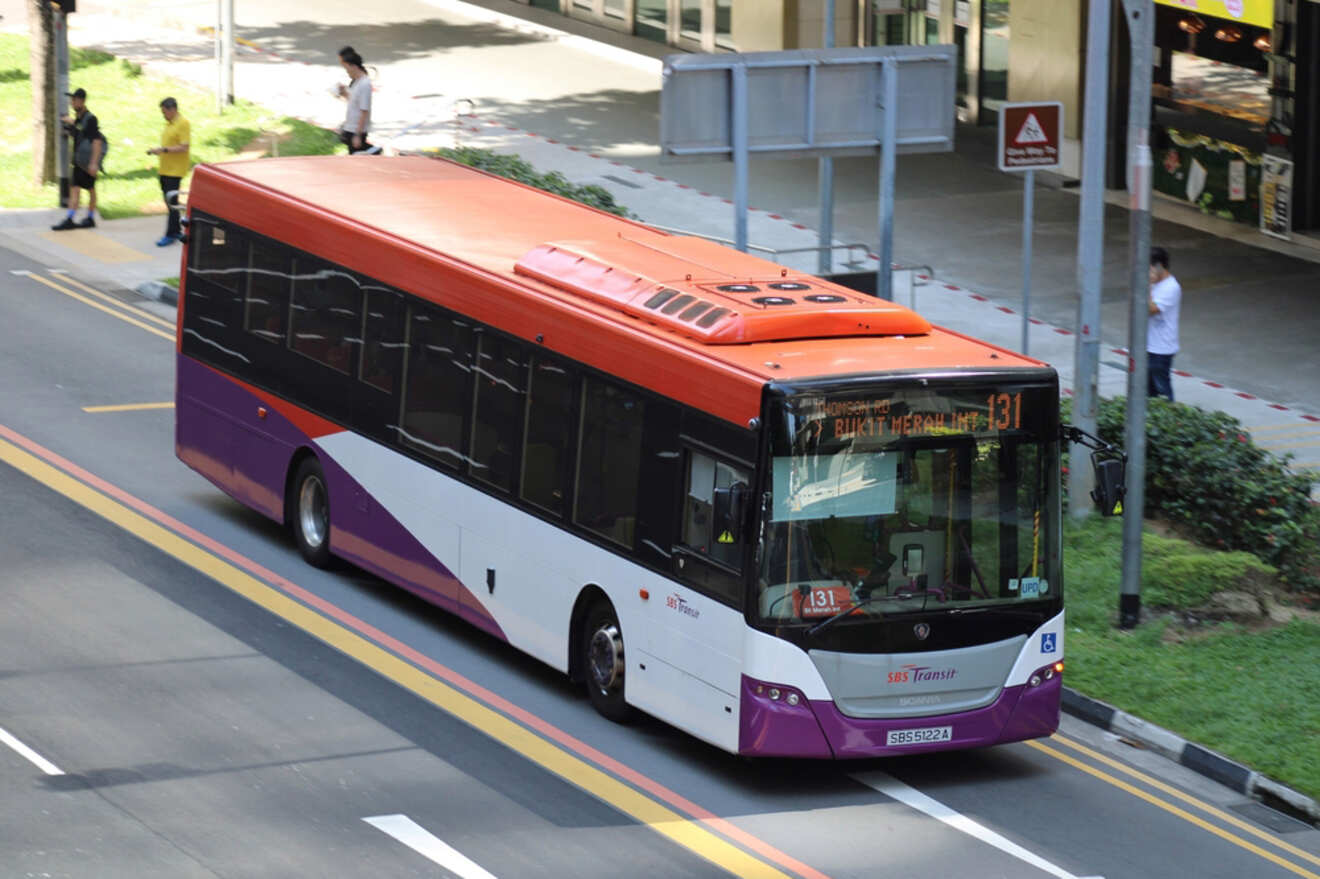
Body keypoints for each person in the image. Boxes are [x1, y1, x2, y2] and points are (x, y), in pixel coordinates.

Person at [51, 87, 104, 231]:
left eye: (74, 100)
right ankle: (70, 218)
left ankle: (89, 217)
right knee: (75, 189)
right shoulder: (79, 118)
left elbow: (97, 141)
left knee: (91, 190)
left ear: (82, 101)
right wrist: (69, 130)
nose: (71, 103)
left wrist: (94, 163)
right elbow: (80, 135)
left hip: (87, 163)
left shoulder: (91, 119)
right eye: (71, 100)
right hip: (78, 162)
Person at [146, 97, 191, 247]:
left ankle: (170, 234)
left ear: (172, 110)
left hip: (175, 171)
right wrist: (159, 151)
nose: (163, 115)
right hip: (165, 169)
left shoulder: (183, 123)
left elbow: (185, 146)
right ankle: (176, 229)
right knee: (170, 202)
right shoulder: (169, 124)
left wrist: (164, 150)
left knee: (171, 202)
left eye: (165, 112)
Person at [1147, 245, 1182, 402]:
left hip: (1161, 349)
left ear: (1159, 266)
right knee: (1148, 391)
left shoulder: (1171, 287)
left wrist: (1145, 286)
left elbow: (1151, 309)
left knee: (1162, 391)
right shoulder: (1154, 284)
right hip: (1149, 346)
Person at [336, 46, 380, 155]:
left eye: (346, 68)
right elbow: (354, 101)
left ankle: (376, 152)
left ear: (354, 66)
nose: (346, 72)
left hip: (356, 130)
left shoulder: (365, 84)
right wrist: (343, 93)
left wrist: (358, 135)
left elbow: (364, 111)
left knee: (357, 158)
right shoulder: (356, 82)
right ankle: (374, 151)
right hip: (351, 128)